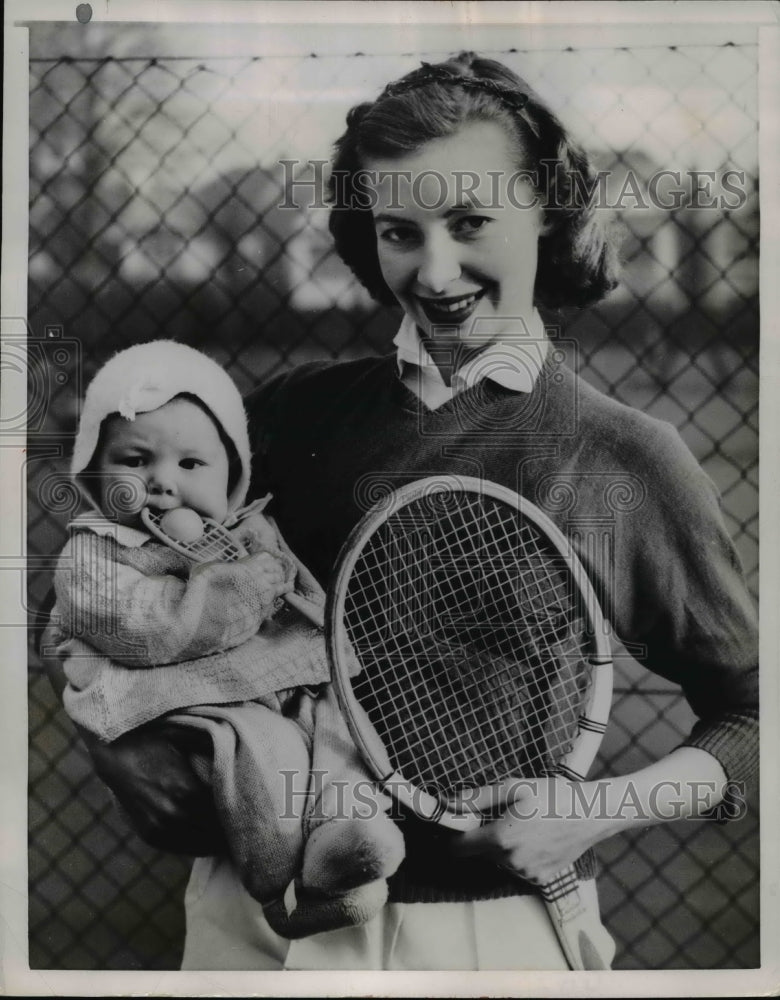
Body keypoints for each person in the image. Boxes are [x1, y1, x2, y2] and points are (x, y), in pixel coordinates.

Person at [42, 52, 758, 971]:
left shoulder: (622, 454)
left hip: (488, 930)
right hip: (255, 910)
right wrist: (114, 742)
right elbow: (94, 567)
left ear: (543, 208)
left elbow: (750, 716)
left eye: (471, 222)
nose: (436, 269)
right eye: (400, 231)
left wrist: (593, 812)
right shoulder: (289, 414)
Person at [47, 339, 404, 940]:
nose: (163, 484)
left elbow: (297, 592)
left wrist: (295, 598)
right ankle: (281, 885)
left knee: (339, 725)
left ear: (233, 477)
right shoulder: (93, 555)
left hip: (266, 679)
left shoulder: (245, 529)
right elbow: (147, 631)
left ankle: (347, 839)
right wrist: (231, 590)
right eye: (135, 461)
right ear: (93, 472)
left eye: (191, 466)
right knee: (263, 749)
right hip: (180, 697)